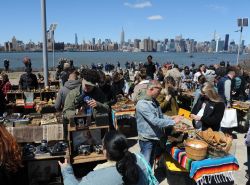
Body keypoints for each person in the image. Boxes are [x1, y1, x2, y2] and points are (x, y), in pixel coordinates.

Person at [59, 131, 158, 185]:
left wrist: (66, 170)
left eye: (102, 145)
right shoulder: (141, 159)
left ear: (105, 151)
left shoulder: (96, 178)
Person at [136, 80, 183, 166]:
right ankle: (145, 179)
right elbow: (155, 120)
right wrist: (172, 121)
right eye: (158, 91)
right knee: (145, 163)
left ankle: (150, 178)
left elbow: (159, 116)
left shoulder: (153, 100)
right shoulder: (142, 103)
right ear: (151, 89)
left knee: (150, 161)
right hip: (147, 138)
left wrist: (171, 117)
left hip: (154, 136)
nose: (159, 93)